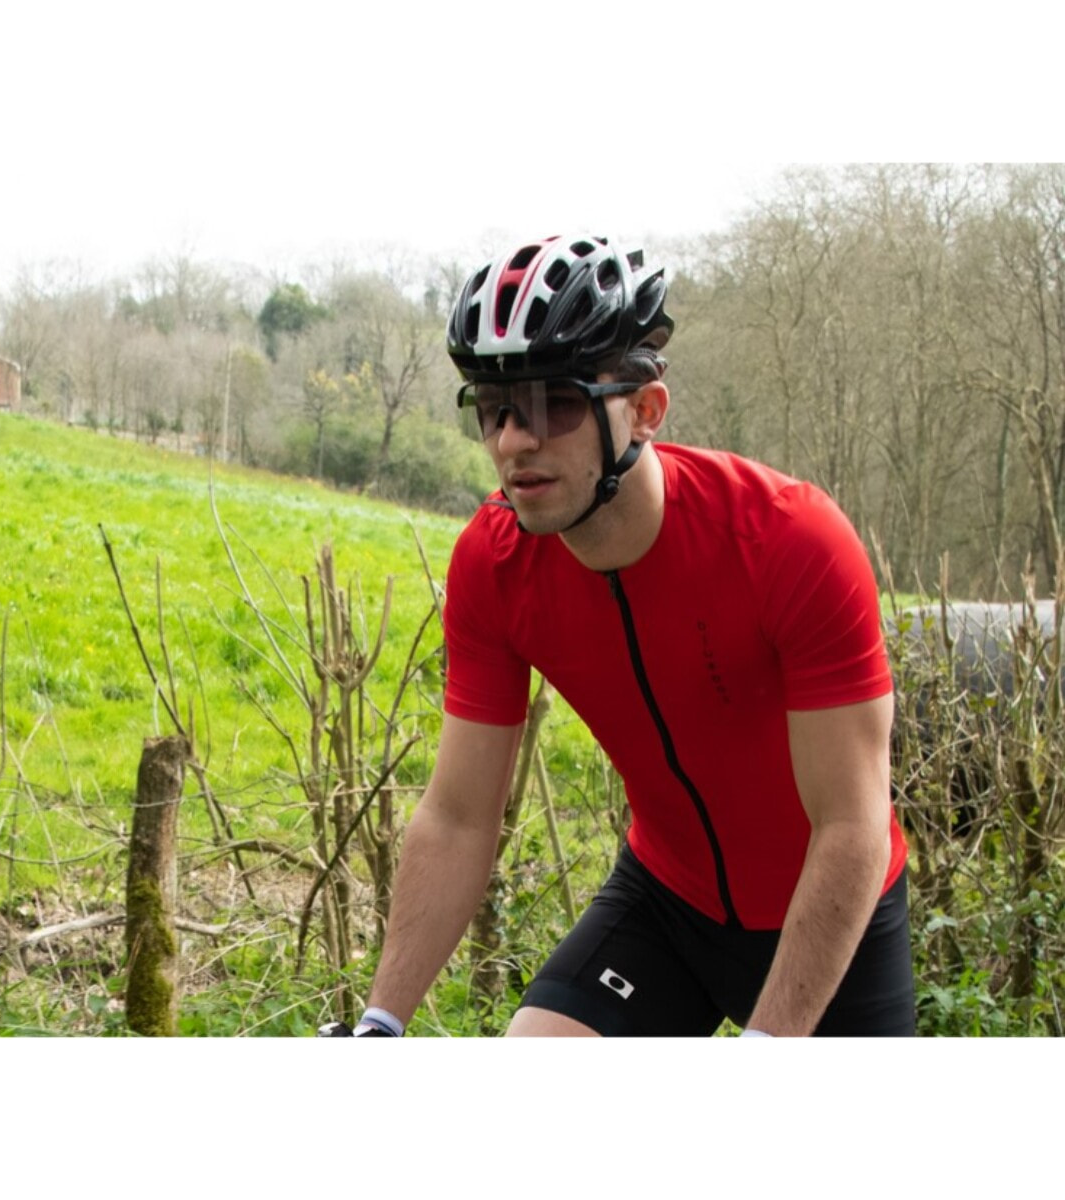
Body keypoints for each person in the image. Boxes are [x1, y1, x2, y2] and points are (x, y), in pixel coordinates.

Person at [323, 233, 915, 1038]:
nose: (513, 442)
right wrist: (379, 1024)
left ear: (645, 411)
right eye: (493, 410)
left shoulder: (789, 541)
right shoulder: (493, 565)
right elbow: (460, 817)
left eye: (553, 403)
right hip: (667, 905)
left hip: (834, 911)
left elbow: (850, 827)